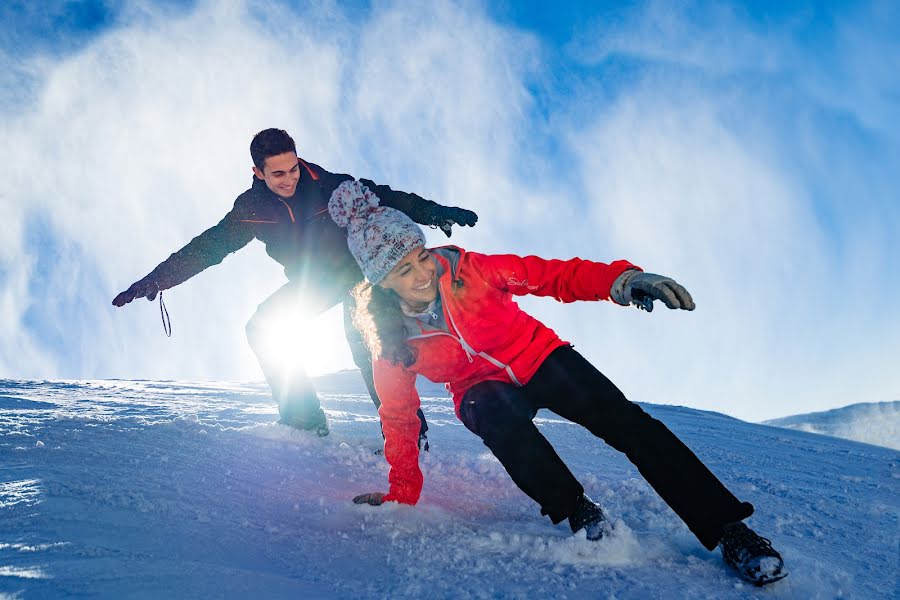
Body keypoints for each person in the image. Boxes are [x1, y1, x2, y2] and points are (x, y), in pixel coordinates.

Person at [327, 180, 787, 586]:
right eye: (404, 271)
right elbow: (399, 416)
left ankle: (730, 529)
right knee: (493, 416)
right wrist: (402, 491)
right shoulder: (391, 342)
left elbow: (554, 276)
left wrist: (622, 281)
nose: (424, 272)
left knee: (628, 424)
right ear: (381, 283)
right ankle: (577, 511)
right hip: (482, 389)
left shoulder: (473, 270)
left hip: (539, 356)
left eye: (421, 256)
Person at [112, 129, 477, 441]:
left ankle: (410, 438)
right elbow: (208, 247)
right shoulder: (251, 209)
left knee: (367, 344)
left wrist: (438, 213)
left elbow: (386, 196)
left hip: (356, 274)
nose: (289, 180)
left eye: (293, 169)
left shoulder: (327, 185)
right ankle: (305, 420)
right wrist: (157, 279)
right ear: (257, 172)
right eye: (277, 174)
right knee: (263, 328)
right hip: (312, 283)